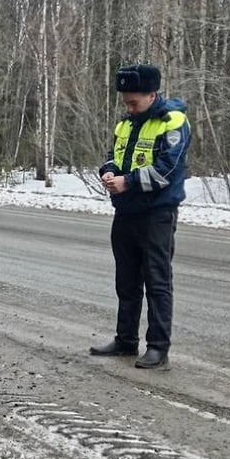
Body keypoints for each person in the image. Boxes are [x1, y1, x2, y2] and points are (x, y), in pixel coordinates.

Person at [88, 64, 189, 369]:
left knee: (157, 282)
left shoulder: (172, 122)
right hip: (125, 212)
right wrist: (108, 172)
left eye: (134, 102)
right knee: (126, 281)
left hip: (157, 213)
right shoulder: (126, 124)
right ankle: (125, 340)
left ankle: (158, 347)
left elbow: (167, 170)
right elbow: (114, 155)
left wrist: (127, 182)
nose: (129, 107)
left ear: (152, 94)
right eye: (125, 102)